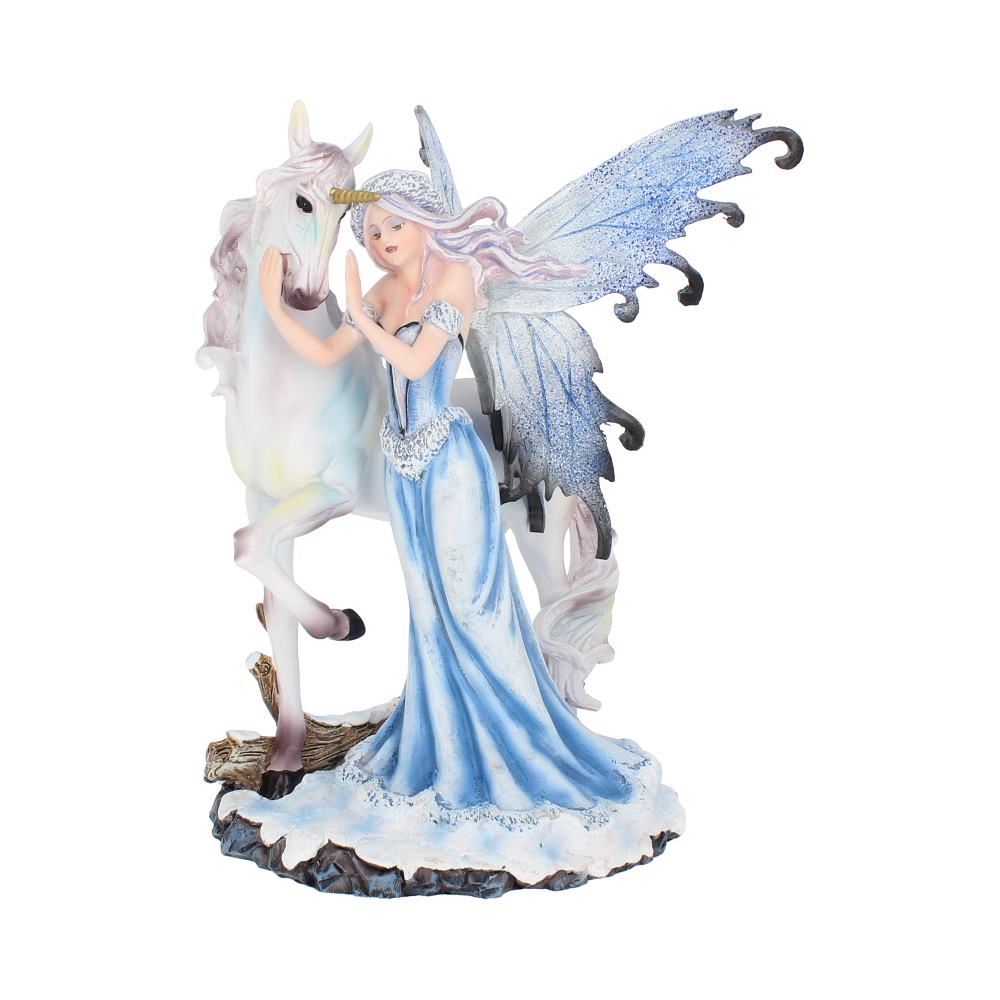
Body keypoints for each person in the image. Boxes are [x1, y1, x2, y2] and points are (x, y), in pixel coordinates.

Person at [255, 170, 675, 879]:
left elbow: (417, 358)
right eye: (371, 232)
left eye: (394, 225)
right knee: (428, 612)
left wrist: (360, 317)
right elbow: (327, 354)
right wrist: (275, 306)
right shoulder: (381, 292)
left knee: (474, 606)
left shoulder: (454, 280)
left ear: (428, 222)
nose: (382, 241)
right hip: (401, 468)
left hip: (449, 465)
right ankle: (448, 742)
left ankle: (519, 751)